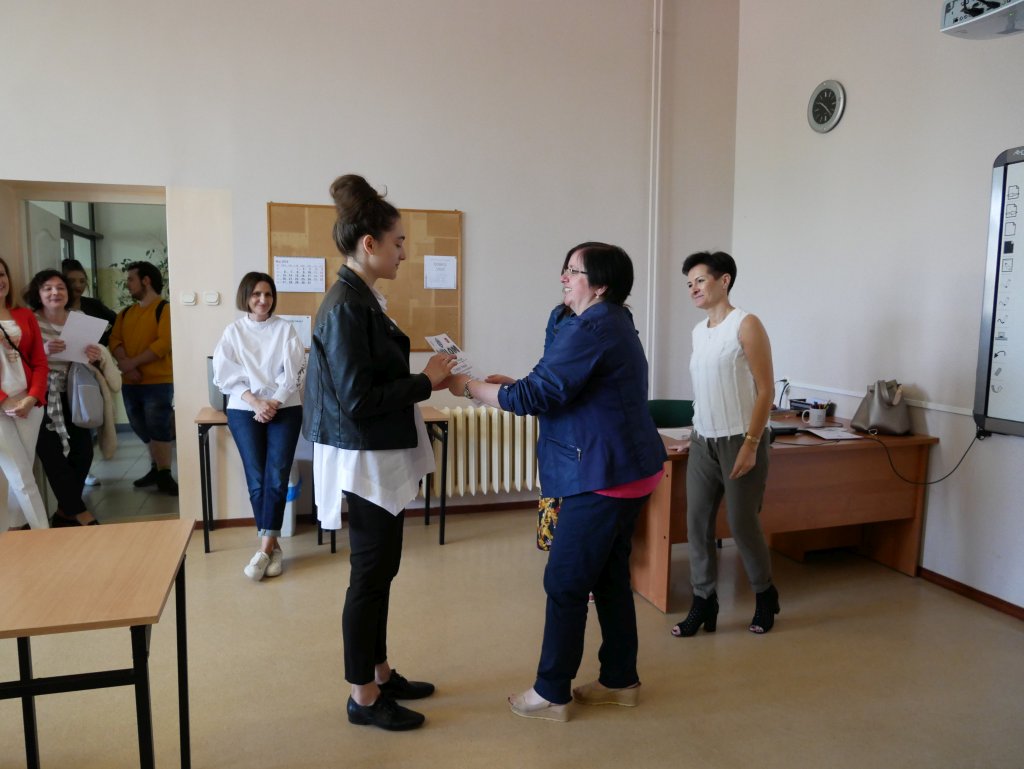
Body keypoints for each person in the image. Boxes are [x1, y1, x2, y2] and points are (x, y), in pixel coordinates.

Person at [447, 242, 667, 723]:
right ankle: (620, 680)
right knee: (608, 577)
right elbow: (562, 386)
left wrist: (469, 388)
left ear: (601, 284)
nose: (564, 278)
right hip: (627, 468)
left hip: (603, 475)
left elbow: (535, 396)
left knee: (565, 582)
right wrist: (510, 385)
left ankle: (552, 692)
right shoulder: (609, 321)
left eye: (574, 271)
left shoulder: (592, 325)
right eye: (564, 269)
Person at [303, 174, 457, 732]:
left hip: (375, 448)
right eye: (398, 242)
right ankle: (362, 697)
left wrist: (425, 380)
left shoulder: (361, 297)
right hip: (363, 453)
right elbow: (358, 398)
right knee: (370, 575)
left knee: (383, 568)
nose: (404, 252)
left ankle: (380, 672)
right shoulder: (347, 305)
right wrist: (426, 381)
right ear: (369, 243)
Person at [670, 250, 780, 637]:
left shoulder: (746, 324)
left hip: (741, 439)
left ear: (724, 280)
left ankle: (765, 594)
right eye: (689, 284)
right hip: (703, 441)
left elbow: (766, 391)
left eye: (700, 280)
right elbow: (705, 390)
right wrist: (693, 434)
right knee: (697, 523)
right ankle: (704, 601)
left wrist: (751, 444)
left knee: (742, 524)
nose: (693, 289)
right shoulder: (698, 332)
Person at [213, 272, 306, 582]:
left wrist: (273, 402)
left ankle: (264, 548)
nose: (263, 300)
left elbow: (294, 372)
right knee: (256, 478)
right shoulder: (233, 332)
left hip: (285, 408)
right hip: (244, 409)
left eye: (267, 294)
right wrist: (255, 402)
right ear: (246, 297)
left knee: (277, 477)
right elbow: (224, 374)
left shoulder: (285, 329)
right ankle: (273, 547)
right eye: (256, 294)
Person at [25, 270, 120, 527]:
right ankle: (79, 512)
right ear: (38, 294)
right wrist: (43, 351)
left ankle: (65, 513)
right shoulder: (30, 320)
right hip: (40, 396)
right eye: (48, 288)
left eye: (60, 287)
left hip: (75, 392)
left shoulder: (79, 319)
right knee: (52, 456)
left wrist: (94, 355)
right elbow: (20, 359)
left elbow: (88, 356)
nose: (55, 292)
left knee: (83, 452)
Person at [109, 260, 178, 495]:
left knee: (158, 426)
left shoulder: (164, 309)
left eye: (131, 279)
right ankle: (155, 468)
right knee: (139, 425)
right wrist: (127, 365)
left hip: (158, 381)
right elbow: (114, 340)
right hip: (131, 382)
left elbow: (164, 343)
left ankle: (164, 473)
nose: (127, 284)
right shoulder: (126, 313)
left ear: (146, 281)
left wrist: (133, 363)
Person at [0, 256, 50, 530]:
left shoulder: (24, 315)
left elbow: (40, 362)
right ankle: (44, 534)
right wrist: (4, 399)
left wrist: (32, 397)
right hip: (2, 405)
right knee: (21, 477)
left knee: (22, 472)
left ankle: (15, 531)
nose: (0, 280)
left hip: (29, 404)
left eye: (2, 274)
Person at [62, 259, 116, 345]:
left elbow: (117, 321)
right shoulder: (57, 308)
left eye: (82, 281)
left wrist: (103, 342)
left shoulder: (95, 305)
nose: (78, 285)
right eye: (71, 281)